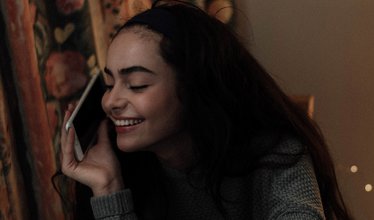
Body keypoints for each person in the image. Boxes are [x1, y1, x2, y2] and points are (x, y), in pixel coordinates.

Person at [60, 1, 352, 219]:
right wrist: (110, 191)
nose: (111, 102)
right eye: (110, 84)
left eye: (136, 84)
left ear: (196, 86)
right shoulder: (120, 166)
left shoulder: (276, 154)